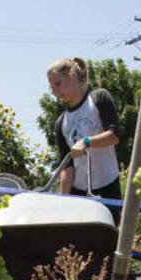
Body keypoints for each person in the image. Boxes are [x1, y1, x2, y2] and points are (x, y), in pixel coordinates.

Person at [47, 57, 124, 199]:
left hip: (108, 187)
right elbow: (67, 167)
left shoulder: (99, 98)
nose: (55, 92)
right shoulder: (60, 123)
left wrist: (86, 142)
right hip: (79, 193)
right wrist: (61, 200)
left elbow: (114, 136)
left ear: (71, 76)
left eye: (58, 84)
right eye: (52, 88)